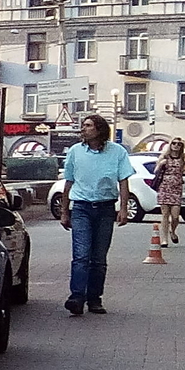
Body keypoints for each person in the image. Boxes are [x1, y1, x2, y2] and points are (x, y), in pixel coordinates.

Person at [60, 114, 134, 316]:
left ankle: (94, 299)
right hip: (82, 207)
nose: (83, 129)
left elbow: (124, 182)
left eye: (88, 125)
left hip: (105, 208)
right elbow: (68, 182)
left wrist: (124, 209)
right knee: (81, 255)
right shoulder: (75, 151)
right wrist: (65, 211)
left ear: (100, 130)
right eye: (83, 125)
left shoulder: (117, 152)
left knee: (98, 258)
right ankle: (76, 297)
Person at [154, 141, 185, 246]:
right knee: (165, 214)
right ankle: (164, 239)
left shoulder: (182, 158)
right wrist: (160, 164)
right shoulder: (165, 157)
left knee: (175, 216)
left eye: (179, 144)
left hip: (176, 189)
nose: (176, 145)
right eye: (174, 143)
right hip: (164, 187)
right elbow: (155, 171)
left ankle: (172, 231)